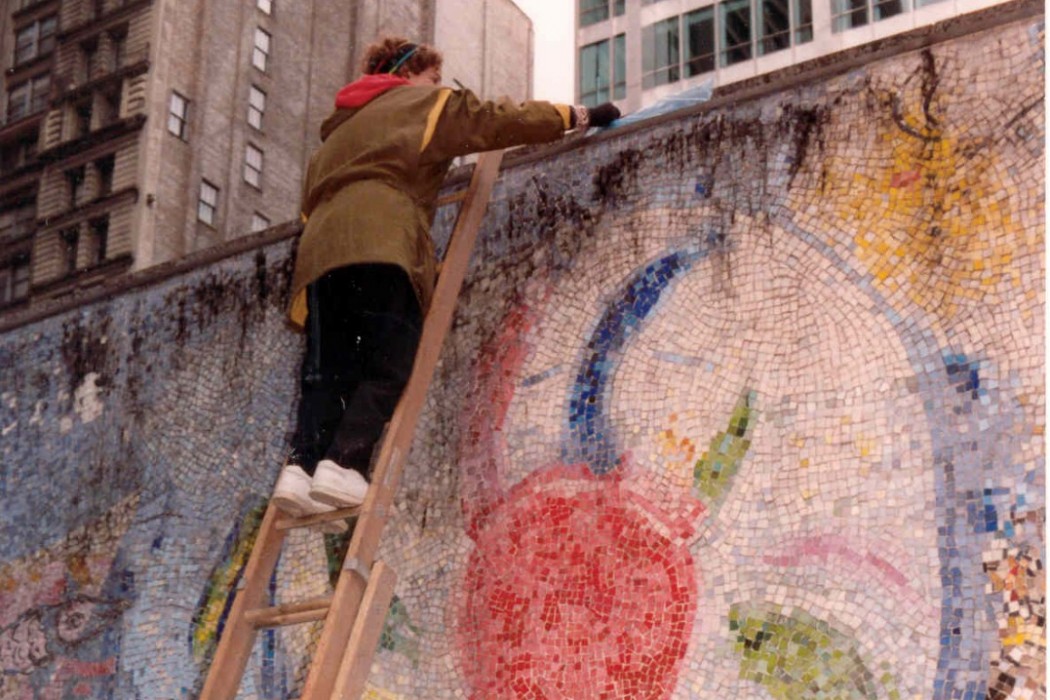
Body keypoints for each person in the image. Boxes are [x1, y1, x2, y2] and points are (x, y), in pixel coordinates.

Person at [272, 37, 621, 529]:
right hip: (382, 239)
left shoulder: (333, 140)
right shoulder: (421, 104)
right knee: (390, 360)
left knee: (329, 373)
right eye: (432, 77)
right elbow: (497, 120)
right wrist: (578, 115)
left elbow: (309, 210)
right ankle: (345, 462)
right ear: (406, 73)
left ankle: (301, 470)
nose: (438, 85)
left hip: (321, 258)